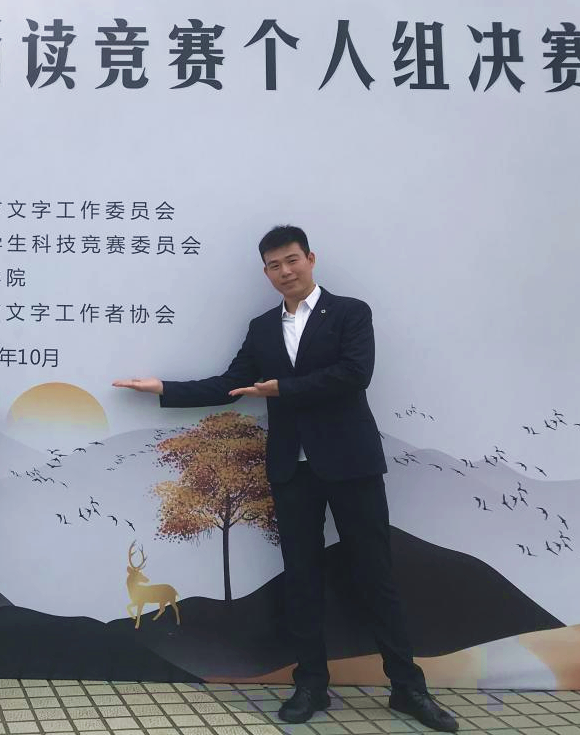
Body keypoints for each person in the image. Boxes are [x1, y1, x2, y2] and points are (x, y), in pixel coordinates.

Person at [113, 226, 457, 731]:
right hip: (291, 469)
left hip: (351, 463)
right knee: (301, 578)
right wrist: (164, 388)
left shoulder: (350, 313)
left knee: (375, 573)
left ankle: (408, 688)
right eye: (274, 265)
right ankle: (311, 685)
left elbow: (355, 374)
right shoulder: (261, 328)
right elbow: (231, 384)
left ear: (310, 258)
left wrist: (284, 390)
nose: (285, 271)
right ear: (266, 272)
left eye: (292, 260)